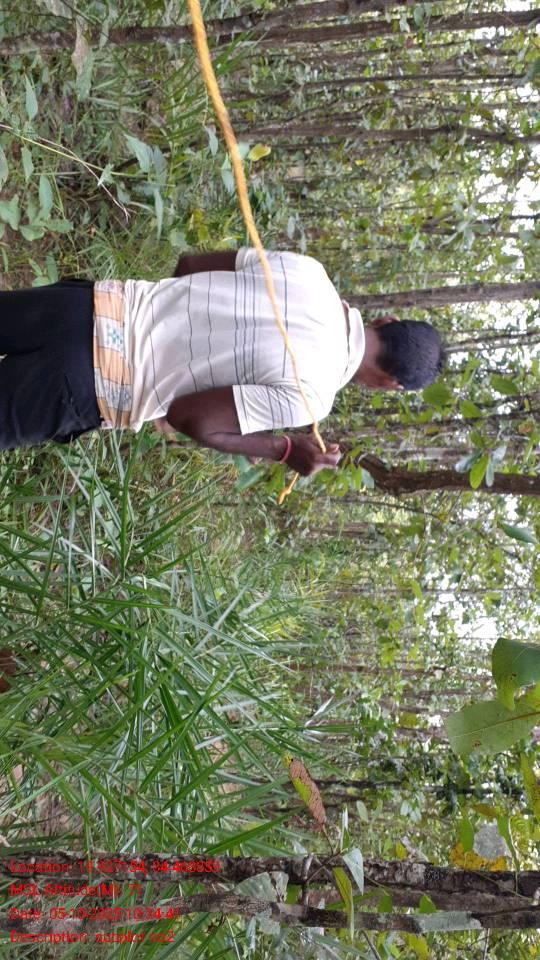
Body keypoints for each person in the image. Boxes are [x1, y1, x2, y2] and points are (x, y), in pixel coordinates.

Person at [0, 249, 444, 475]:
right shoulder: (313, 396)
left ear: (385, 321)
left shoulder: (311, 272)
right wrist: (285, 449)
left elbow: (190, 264)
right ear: (389, 384)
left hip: (84, 306)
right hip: (90, 384)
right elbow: (188, 417)